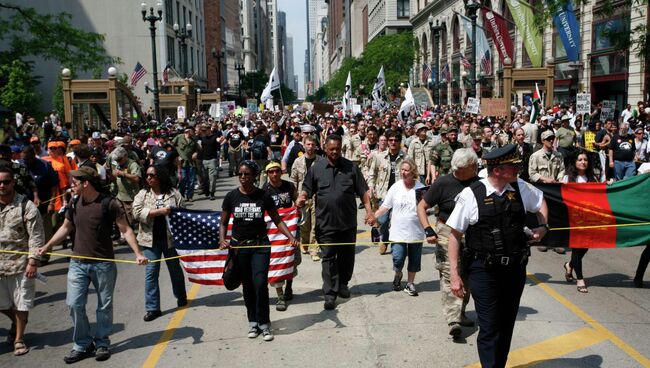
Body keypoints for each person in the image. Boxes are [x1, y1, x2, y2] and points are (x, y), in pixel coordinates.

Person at [446, 144, 549, 368]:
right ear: (498, 171)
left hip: (514, 270)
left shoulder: (519, 188)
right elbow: (454, 236)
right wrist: (455, 275)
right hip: (483, 270)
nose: (518, 170)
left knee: (506, 325)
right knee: (490, 326)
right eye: (513, 167)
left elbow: (540, 201)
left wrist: (543, 226)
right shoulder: (472, 194)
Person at [38, 166, 148, 364]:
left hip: (103, 264)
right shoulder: (74, 202)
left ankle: (102, 342)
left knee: (104, 306)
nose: (71, 185)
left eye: (75, 182)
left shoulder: (109, 203)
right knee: (73, 303)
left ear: (86, 183)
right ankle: (82, 344)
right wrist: (48, 246)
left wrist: (138, 253)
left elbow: (126, 230)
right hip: (77, 263)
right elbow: (66, 227)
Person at [219, 160, 299, 342]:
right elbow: (223, 222)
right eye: (240, 174)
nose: (243, 177)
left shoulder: (263, 196)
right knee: (247, 285)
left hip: (260, 246)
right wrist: (222, 239)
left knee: (260, 283)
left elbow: (277, 220)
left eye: (247, 174)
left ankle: (265, 324)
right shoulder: (231, 196)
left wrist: (290, 237)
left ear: (254, 176)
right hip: (239, 248)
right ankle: (252, 322)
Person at [297, 134, 375, 310]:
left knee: (347, 258)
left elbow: (363, 191)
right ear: (325, 149)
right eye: (331, 149)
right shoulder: (317, 168)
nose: (334, 152)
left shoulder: (351, 167)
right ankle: (330, 293)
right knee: (329, 259)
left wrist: (370, 212)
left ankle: (343, 284)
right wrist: (302, 198)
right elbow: (307, 188)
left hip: (347, 223)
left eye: (337, 149)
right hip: (326, 224)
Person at [416, 148, 480, 339]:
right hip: (446, 232)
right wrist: (428, 229)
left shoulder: (478, 184)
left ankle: (461, 311)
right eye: (473, 166)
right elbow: (422, 206)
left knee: (467, 274)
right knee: (449, 273)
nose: (477, 168)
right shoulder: (443, 183)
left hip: (471, 234)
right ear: (461, 168)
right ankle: (453, 320)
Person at [132, 165, 187, 322]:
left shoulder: (173, 193)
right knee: (151, 273)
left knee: (175, 270)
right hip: (150, 241)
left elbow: (183, 211)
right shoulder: (143, 194)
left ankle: (181, 296)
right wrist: (158, 212)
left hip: (170, 239)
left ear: (160, 176)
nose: (149, 178)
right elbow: (136, 213)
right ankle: (152, 308)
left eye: (152, 175)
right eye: (147, 175)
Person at [0, 166, 45, 356]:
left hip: (20, 264)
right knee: (3, 304)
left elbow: (36, 236)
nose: (1, 185)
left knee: (21, 303)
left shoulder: (26, 206)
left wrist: (33, 262)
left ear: (13, 182)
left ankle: (19, 338)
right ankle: (16, 322)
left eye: (6, 181)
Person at [373, 158, 425, 296]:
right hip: (398, 231)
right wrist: (374, 216)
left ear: (413, 172)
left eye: (406, 170)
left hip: (415, 231)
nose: (403, 172)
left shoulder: (420, 188)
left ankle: (410, 283)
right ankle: (398, 273)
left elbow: (425, 208)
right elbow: (385, 206)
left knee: (414, 259)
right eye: (402, 170)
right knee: (398, 257)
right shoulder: (396, 187)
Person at [262, 160, 299, 311]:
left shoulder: (289, 186)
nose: (274, 174)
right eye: (271, 172)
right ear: (267, 174)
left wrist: (299, 204)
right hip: (274, 233)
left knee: (292, 260)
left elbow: (296, 201)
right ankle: (280, 295)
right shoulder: (264, 191)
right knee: (277, 262)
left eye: (277, 170)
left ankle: (289, 286)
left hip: (291, 228)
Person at [561, 151, 600, 293]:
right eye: (579, 159)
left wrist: (608, 185)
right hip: (574, 220)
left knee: (585, 247)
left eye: (585, 160)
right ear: (574, 162)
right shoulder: (568, 178)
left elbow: (599, 196)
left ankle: (569, 265)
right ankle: (580, 279)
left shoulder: (593, 178)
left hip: (589, 220)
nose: (583, 162)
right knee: (577, 248)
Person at [367, 131, 409, 255]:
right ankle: (385, 240)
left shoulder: (406, 158)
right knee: (383, 221)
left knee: (399, 221)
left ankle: (398, 245)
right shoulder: (380, 156)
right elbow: (372, 173)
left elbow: (413, 174)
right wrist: (371, 186)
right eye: (390, 140)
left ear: (399, 142)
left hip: (401, 195)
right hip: (384, 195)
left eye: (395, 140)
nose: (393, 143)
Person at [528, 130, 566, 254]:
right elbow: (532, 174)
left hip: (555, 189)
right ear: (542, 141)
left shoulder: (558, 155)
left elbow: (562, 169)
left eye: (552, 138)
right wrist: (546, 179)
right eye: (548, 139)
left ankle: (556, 242)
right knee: (543, 217)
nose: (551, 141)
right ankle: (543, 241)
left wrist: (559, 179)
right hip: (542, 189)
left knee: (556, 215)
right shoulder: (536, 156)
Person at [290, 135, 324, 261]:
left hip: (317, 197)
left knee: (316, 225)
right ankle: (304, 242)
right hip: (302, 196)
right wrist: (295, 198)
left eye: (312, 144)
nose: (310, 147)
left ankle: (314, 249)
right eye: (308, 144)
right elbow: (294, 180)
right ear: (303, 145)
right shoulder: (298, 161)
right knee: (304, 224)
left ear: (315, 146)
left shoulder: (321, 161)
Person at [172, 128, 199, 201]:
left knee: (191, 180)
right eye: (192, 131)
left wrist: (196, 153)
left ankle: (190, 196)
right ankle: (181, 195)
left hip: (190, 163)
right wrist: (176, 156)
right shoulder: (179, 137)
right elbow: (171, 146)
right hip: (181, 163)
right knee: (182, 179)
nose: (194, 133)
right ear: (188, 132)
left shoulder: (193, 140)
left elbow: (198, 149)